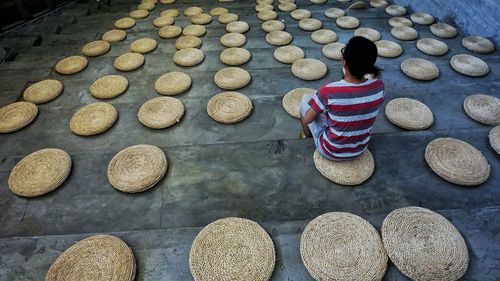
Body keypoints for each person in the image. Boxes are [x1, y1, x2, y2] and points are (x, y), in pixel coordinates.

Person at [300, 36, 385, 161]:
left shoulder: (328, 91)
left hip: (330, 150)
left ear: (344, 61)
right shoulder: (379, 87)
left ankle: (306, 136)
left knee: (305, 104)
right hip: (360, 148)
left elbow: (308, 119)